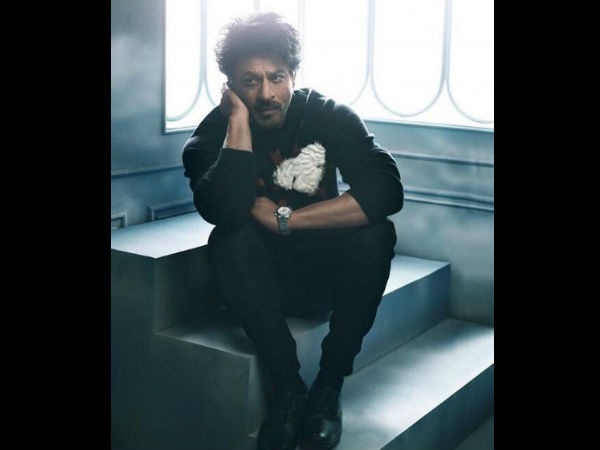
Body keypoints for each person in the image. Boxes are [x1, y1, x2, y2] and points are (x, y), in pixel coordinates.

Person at [182, 11, 404, 450]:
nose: (266, 93)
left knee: (377, 234)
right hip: (259, 284)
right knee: (228, 238)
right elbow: (223, 210)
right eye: (250, 81)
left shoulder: (326, 115)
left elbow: (386, 190)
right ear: (230, 87)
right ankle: (288, 389)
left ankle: (328, 387)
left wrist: (287, 219)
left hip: (324, 278)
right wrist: (237, 124)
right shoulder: (212, 136)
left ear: (293, 76)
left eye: (276, 77)